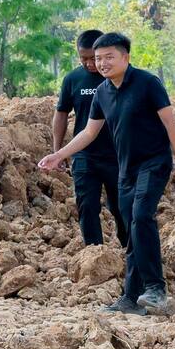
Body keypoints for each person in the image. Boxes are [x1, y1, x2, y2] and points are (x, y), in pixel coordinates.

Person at [37, 33, 175, 316]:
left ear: (125, 57)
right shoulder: (102, 93)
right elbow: (89, 132)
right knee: (132, 228)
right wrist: (59, 154)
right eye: (98, 58)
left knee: (141, 216)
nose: (102, 63)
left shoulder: (148, 83)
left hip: (153, 163)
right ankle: (131, 297)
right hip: (125, 169)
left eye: (109, 57)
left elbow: (171, 123)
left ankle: (155, 288)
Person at [53, 29, 129, 248]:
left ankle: (129, 250)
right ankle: (94, 252)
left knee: (121, 207)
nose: (89, 63)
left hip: (117, 155)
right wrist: (58, 151)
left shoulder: (121, 78)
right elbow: (61, 114)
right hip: (84, 154)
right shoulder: (73, 79)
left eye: (92, 58)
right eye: (83, 58)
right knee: (87, 206)